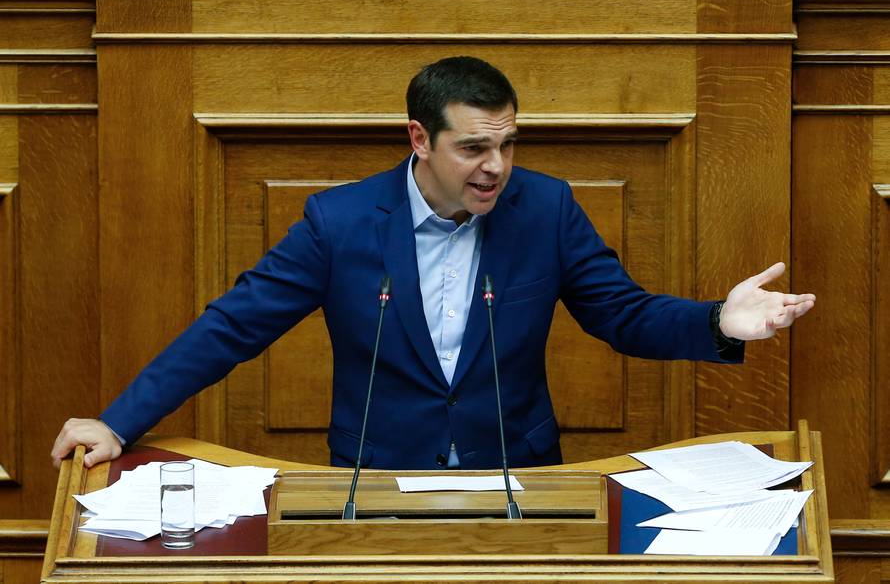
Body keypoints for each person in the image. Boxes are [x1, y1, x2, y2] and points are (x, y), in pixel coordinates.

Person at [51, 56, 815, 471]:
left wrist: (720, 321)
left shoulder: (545, 209)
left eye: (507, 145)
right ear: (419, 139)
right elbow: (233, 328)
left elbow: (621, 313)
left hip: (517, 473)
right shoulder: (340, 222)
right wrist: (120, 422)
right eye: (474, 147)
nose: (496, 167)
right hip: (378, 477)